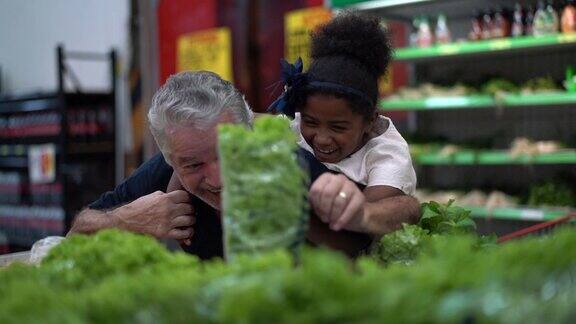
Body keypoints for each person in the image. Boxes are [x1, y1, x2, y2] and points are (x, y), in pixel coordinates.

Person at [70, 70, 420, 259]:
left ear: (248, 132)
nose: (218, 178)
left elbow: (399, 213)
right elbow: (75, 233)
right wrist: (126, 220)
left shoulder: (287, 164)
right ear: (169, 157)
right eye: (192, 165)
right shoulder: (161, 174)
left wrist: (344, 212)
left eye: (228, 152)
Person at [268, 12, 417, 234]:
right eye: (310, 122)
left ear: (370, 121)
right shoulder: (292, 128)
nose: (322, 138)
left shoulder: (387, 155)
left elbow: (358, 223)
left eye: (337, 127)